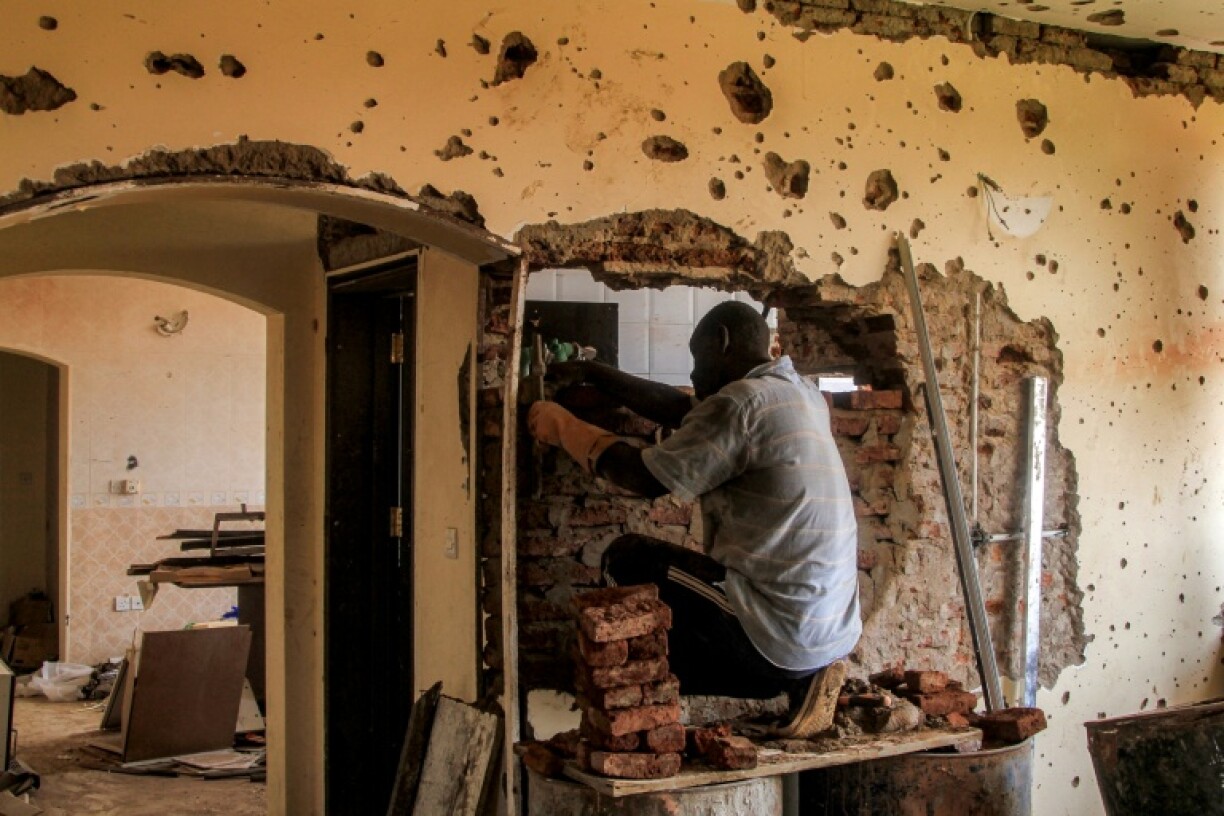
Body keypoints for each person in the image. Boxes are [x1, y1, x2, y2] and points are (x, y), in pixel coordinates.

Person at [527, 300, 861, 737]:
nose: (692, 374)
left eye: (697, 357)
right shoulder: (799, 394)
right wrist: (596, 374)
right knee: (669, 597)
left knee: (629, 560)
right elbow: (690, 415)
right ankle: (800, 681)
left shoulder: (743, 404)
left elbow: (644, 478)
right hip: (829, 630)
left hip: (779, 634)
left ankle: (658, 701)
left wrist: (563, 426)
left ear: (721, 342)